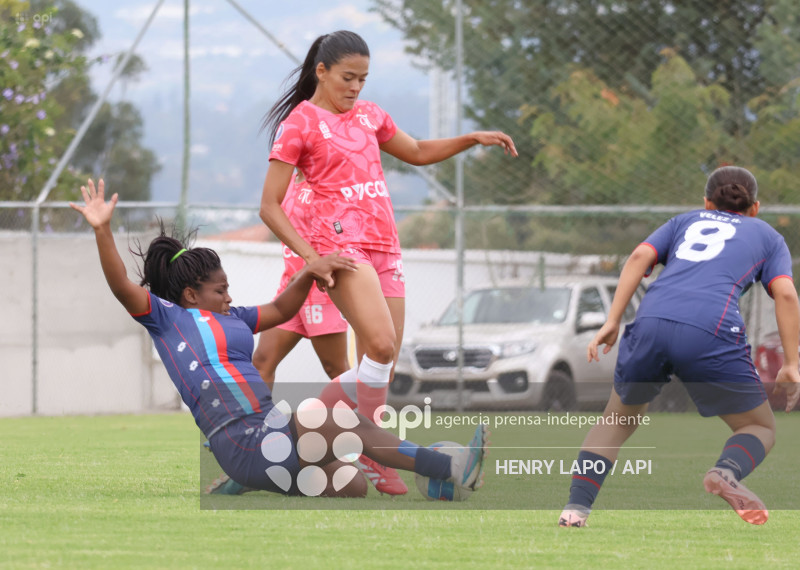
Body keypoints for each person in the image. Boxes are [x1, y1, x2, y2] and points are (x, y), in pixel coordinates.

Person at [70, 178, 488, 498]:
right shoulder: (167, 319)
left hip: (273, 434)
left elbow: (282, 310)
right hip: (245, 442)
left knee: (350, 485)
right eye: (220, 290)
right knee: (349, 423)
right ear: (191, 295)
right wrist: (102, 230)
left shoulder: (234, 316)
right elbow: (121, 284)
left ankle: (242, 483)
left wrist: (308, 270)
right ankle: (450, 467)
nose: (229, 296)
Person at [259, 29, 517, 495]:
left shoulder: (370, 115)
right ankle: (363, 448)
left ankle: (339, 438)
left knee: (382, 364)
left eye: (363, 78)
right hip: (343, 251)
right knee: (378, 346)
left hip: (385, 248)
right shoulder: (299, 123)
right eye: (348, 77)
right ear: (322, 71)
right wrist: (313, 259)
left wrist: (470, 138)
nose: (356, 87)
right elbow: (269, 206)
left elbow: (415, 152)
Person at [558, 166, 800, 527]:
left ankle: (575, 511)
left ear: (706, 203)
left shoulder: (684, 221)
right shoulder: (767, 235)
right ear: (755, 208)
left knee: (616, 421)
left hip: (652, 320)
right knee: (759, 428)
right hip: (710, 328)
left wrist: (612, 320)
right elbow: (786, 294)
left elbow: (638, 257)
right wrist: (791, 363)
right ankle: (726, 471)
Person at [252, 172, 350, 393]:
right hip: (292, 287)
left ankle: (368, 414)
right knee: (261, 362)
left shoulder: (328, 178)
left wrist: (321, 263)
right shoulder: (286, 179)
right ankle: (257, 417)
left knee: (336, 370)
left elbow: (345, 228)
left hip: (321, 289)